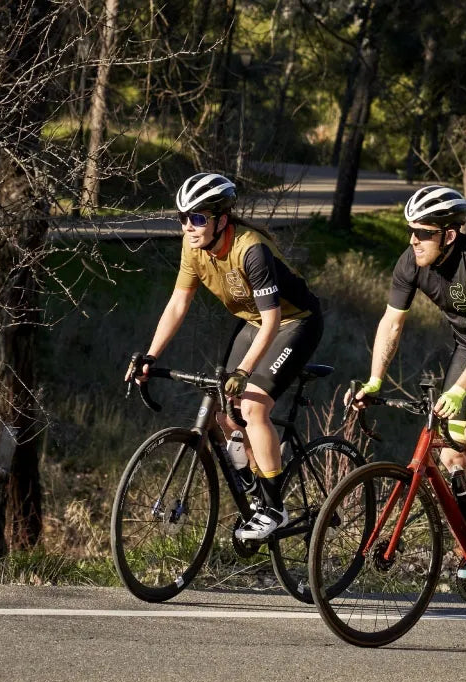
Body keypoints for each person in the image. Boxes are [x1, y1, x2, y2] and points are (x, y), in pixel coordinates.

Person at [350, 185, 466, 578]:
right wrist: (374, 381)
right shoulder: (410, 262)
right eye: (410, 231)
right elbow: (392, 323)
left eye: (423, 233)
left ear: (449, 235)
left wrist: (457, 391)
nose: (413, 240)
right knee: (450, 449)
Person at [126, 172, 323, 540]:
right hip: (252, 321)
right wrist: (151, 355)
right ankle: (251, 472)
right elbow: (178, 303)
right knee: (222, 412)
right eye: (182, 217)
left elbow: (273, 319)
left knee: (251, 406)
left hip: (294, 322)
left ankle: (275, 509)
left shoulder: (251, 249)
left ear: (221, 219)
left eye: (198, 218)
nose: (189, 226)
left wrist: (246, 371)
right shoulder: (193, 246)